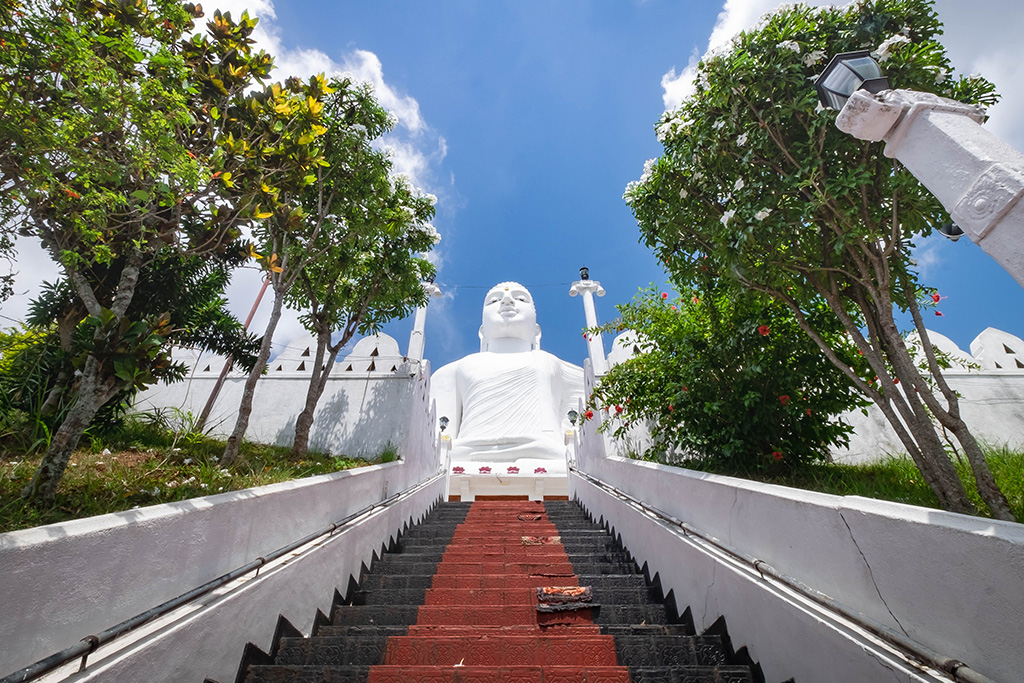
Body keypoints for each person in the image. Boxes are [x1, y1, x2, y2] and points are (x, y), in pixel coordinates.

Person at [431, 282, 584, 475]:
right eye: (494, 300)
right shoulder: (455, 370)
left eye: (520, 299)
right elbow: (441, 437)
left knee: (559, 458)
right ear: (482, 332)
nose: (507, 301)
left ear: (536, 332)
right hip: (470, 455)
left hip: (545, 455)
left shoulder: (552, 363)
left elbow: (579, 426)